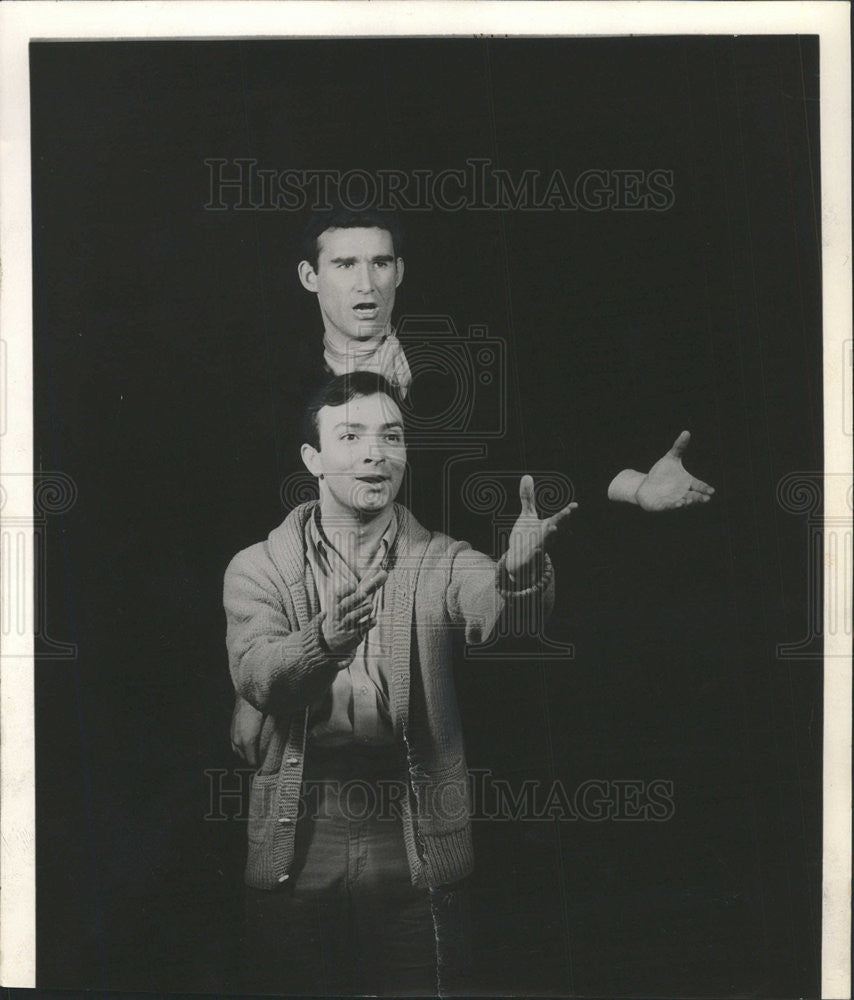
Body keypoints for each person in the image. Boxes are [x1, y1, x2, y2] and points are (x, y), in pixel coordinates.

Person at [230, 207, 715, 763]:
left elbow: (538, 455)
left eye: (380, 263)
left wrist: (635, 486)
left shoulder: (451, 368)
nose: (366, 283)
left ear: (400, 272)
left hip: (451, 634)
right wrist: (251, 690)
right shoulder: (274, 390)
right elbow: (251, 539)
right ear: (309, 277)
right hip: (322, 658)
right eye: (344, 264)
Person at [224, 372, 574, 995]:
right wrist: (321, 643)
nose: (374, 453)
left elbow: (493, 603)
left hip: (412, 828)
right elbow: (256, 675)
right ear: (313, 459)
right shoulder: (258, 567)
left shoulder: (439, 558)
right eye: (351, 436)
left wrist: (518, 574)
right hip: (301, 828)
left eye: (392, 436)